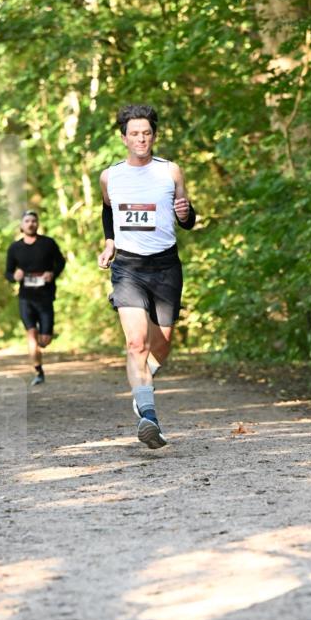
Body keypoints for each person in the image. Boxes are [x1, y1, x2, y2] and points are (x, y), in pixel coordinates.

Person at [98, 104, 196, 448]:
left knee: (162, 344)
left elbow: (186, 216)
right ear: (123, 137)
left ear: (154, 135)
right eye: (134, 133)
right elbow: (108, 212)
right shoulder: (110, 176)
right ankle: (149, 416)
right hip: (128, 268)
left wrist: (186, 213)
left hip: (166, 265)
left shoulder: (169, 172)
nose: (141, 138)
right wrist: (110, 242)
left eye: (147, 133)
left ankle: (143, 384)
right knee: (135, 343)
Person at [5, 210, 66, 386]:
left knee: (44, 340)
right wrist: (14, 276)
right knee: (31, 335)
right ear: (22, 225)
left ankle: (43, 343)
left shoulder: (48, 243)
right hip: (26, 298)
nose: (31, 223)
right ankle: (38, 371)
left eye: (33, 221)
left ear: (37, 224)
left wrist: (52, 273)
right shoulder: (15, 248)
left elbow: (60, 262)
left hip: (45, 296)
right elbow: (7, 272)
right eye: (27, 221)